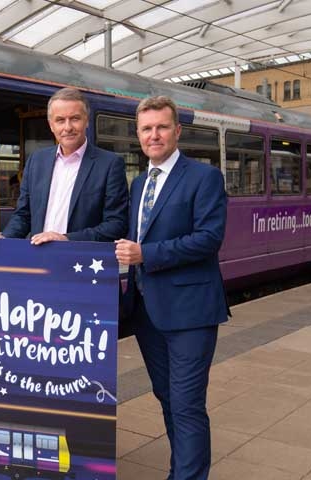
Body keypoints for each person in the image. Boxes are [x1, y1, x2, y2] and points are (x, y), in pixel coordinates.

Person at [115, 96, 229, 480]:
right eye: (146, 129)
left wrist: (145, 253)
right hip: (148, 311)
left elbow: (209, 239)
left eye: (162, 127)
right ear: (138, 135)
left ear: (177, 131)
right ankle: (179, 471)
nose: (154, 135)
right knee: (167, 398)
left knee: (186, 403)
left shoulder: (204, 177)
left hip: (191, 311)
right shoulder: (138, 183)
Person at [0, 87, 128, 246]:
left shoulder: (109, 164)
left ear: (87, 120)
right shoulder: (36, 161)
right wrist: (4, 238)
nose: (67, 127)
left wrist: (67, 239)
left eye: (75, 118)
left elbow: (117, 224)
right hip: (39, 261)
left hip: (83, 264)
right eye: (60, 120)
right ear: (51, 125)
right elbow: (23, 215)